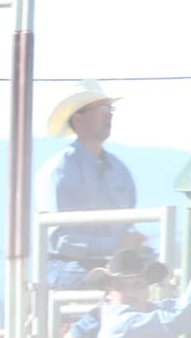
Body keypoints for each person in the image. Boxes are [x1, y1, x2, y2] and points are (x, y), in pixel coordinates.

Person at [36, 80, 150, 289]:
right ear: (78, 119)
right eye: (101, 109)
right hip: (67, 265)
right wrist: (116, 245)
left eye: (110, 108)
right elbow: (59, 240)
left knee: (154, 271)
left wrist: (133, 244)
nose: (109, 115)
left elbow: (126, 226)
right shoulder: (59, 171)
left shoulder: (119, 170)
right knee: (117, 281)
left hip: (110, 262)